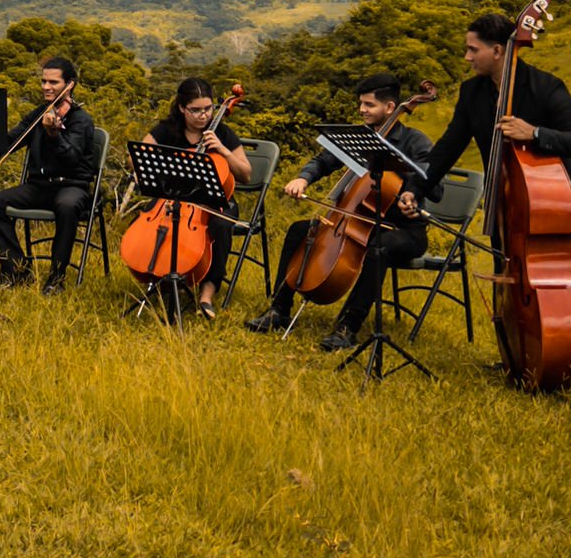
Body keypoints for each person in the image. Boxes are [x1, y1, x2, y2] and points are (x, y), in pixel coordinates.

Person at [244, 72, 433, 350]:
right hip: (356, 219)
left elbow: (430, 179)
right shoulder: (360, 137)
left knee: (378, 248)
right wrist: (303, 178)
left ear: (390, 108)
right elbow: (324, 160)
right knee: (299, 230)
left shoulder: (415, 142)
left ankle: (348, 327)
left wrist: (411, 193)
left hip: (403, 228)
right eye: (361, 103)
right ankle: (279, 310)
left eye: (369, 105)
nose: (362, 109)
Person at [421, 11, 571, 210]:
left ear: (497, 51)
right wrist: (414, 189)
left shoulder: (546, 87)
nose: (467, 57)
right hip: (501, 206)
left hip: (551, 204)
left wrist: (534, 133)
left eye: (473, 50)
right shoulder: (471, 92)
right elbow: (448, 148)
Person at [0, 56, 95, 293]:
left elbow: (72, 158)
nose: (46, 87)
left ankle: (56, 278)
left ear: (69, 84)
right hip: (40, 186)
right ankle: (17, 269)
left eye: (53, 82)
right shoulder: (38, 114)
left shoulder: (81, 120)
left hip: (72, 186)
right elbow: (13, 137)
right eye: (43, 81)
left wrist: (54, 134)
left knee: (67, 206)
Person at [137, 77, 250, 319]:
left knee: (220, 224)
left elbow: (246, 174)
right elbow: (137, 157)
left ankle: (207, 293)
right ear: (181, 108)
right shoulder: (168, 129)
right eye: (195, 110)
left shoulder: (222, 132)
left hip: (215, 201)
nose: (203, 115)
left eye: (208, 109)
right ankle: (162, 279)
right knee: (152, 218)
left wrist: (222, 149)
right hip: (173, 198)